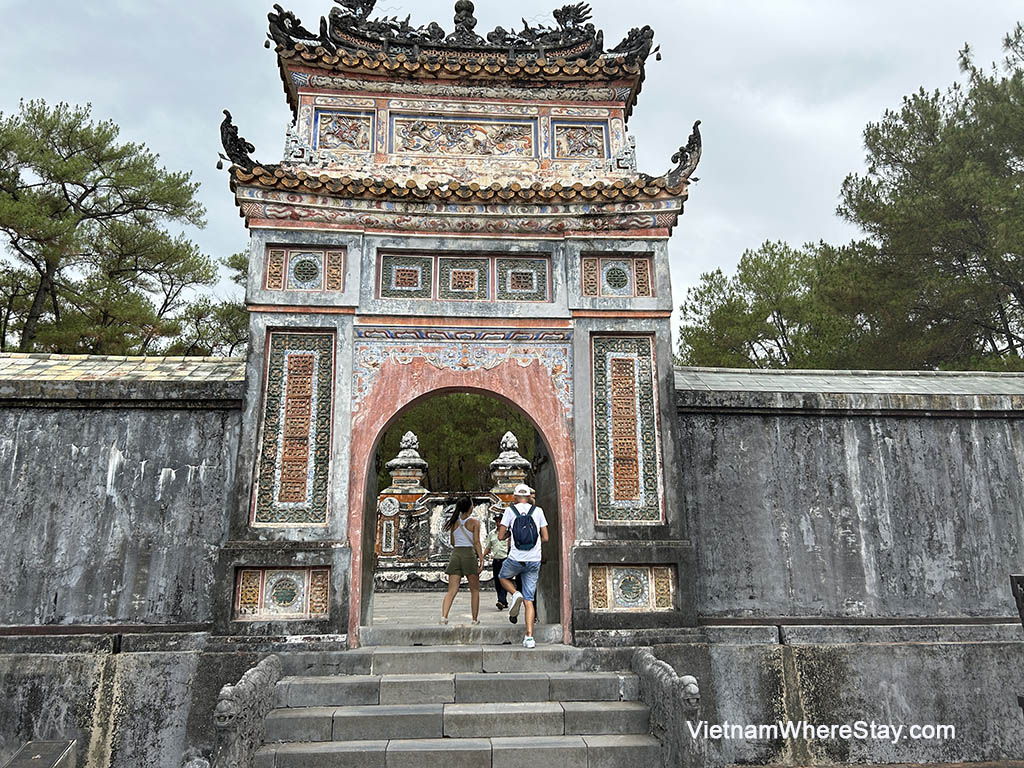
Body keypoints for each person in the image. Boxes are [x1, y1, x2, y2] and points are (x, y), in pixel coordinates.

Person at [497, 483, 549, 648]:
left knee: (503, 577)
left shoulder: (510, 511)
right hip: (534, 560)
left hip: (515, 558)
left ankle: (514, 593)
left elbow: (499, 536)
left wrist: (509, 533)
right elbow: (546, 537)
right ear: (529, 496)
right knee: (529, 600)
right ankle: (529, 637)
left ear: (514, 496)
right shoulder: (538, 511)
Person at [440, 496, 484, 625]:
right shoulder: (474, 522)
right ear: (470, 507)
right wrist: (481, 559)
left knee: (452, 590)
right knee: (474, 590)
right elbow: (476, 542)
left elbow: (453, 542)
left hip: (456, 554)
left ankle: (444, 616)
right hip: (469, 554)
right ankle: (474, 619)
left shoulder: (454, 522)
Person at [483, 509, 521, 610]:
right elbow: (488, 546)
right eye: (497, 521)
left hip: (506, 559)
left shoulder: (509, 533)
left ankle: (501, 600)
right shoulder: (492, 534)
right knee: (497, 582)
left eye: (500, 520)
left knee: (504, 579)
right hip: (496, 560)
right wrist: (482, 556)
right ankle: (503, 602)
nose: (498, 523)